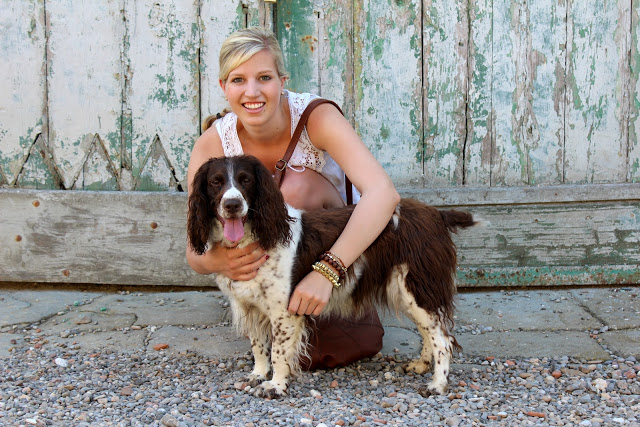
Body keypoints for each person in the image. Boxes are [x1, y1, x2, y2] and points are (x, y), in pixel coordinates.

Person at [186, 26, 400, 368]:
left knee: (293, 191)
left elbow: (383, 194)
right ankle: (271, 314)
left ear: (282, 81)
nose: (252, 91)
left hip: (331, 255)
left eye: (264, 77)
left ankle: (319, 305)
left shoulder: (316, 117)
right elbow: (193, 250)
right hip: (263, 275)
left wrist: (326, 272)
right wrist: (217, 262)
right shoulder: (212, 144)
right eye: (238, 79)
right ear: (223, 86)